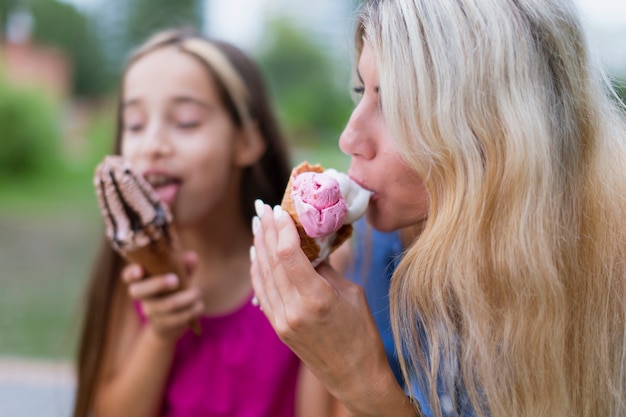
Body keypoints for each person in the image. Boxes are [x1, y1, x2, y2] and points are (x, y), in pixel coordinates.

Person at [250, 0, 626, 416]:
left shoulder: (611, 294)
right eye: (361, 91)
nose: (349, 138)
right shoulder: (381, 252)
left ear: (501, 133)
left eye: (396, 105)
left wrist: (361, 380)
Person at [72, 28, 328, 417]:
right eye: (135, 125)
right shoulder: (137, 280)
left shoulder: (305, 273)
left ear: (245, 142)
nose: (152, 144)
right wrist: (160, 333)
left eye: (187, 122)